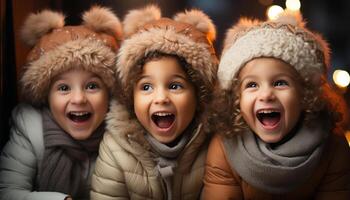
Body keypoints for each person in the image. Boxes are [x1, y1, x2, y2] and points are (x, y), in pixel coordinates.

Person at [202, 11, 350, 199]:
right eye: (252, 85)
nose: (266, 95)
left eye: (280, 83)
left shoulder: (332, 146)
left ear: (305, 94)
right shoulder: (225, 146)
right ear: (236, 99)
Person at [90, 5, 218, 200]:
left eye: (175, 86)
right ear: (131, 96)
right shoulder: (116, 148)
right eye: (146, 87)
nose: (160, 98)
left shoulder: (212, 147)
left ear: (198, 95)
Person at [0, 6, 122, 200]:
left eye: (92, 86)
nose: (79, 99)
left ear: (109, 94)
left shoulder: (122, 133)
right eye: (64, 88)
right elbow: (7, 192)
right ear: (46, 97)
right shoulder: (31, 130)